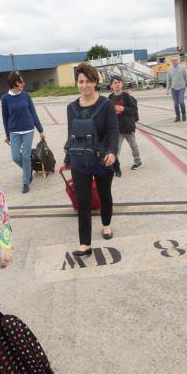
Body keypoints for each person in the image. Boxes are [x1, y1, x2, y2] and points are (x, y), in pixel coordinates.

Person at [64, 63, 118, 257]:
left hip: (103, 160)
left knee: (104, 196)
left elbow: (113, 131)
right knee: (83, 202)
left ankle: (106, 224)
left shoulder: (106, 105)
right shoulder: (71, 108)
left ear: (95, 82)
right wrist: (67, 157)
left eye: (88, 81)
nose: (84, 85)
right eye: (81, 81)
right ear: (77, 83)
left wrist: (112, 152)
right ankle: (85, 244)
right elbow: (71, 135)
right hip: (80, 161)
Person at [1, 71, 45, 194]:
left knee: (25, 156)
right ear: (15, 83)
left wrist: (40, 130)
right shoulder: (5, 99)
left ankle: (26, 182)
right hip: (14, 131)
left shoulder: (26, 96)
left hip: (28, 130)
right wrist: (7, 134)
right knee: (15, 157)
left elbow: (33, 113)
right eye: (21, 81)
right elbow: (5, 118)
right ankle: (28, 169)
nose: (23, 83)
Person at [108, 75, 141, 176]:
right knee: (115, 148)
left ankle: (137, 161)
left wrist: (123, 109)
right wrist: (113, 111)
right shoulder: (110, 98)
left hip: (128, 126)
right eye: (115, 83)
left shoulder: (126, 96)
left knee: (133, 145)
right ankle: (115, 166)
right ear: (111, 86)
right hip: (117, 128)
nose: (117, 84)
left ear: (122, 84)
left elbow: (134, 109)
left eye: (119, 82)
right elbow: (107, 112)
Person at [165, 56, 187, 122]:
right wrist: (167, 89)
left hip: (181, 88)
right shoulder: (169, 69)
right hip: (173, 89)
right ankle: (178, 117)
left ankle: (184, 115)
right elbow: (168, 80)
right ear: (171, 62)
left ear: (178, 61)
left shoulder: (183, 68)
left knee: (181, 102)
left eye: (175, 60)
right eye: (173, 60)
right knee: (176, 104)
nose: (174, 61)